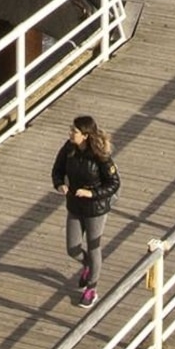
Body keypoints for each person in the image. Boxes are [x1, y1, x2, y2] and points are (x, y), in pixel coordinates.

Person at [51, 112, 120, 306]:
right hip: (74, 204)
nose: (70, 133)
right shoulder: (69, 148)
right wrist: (59, 185)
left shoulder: (100, 156)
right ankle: (87, 265)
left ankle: (91, 288)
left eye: (74, 131)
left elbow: (113, 183)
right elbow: (57, 170)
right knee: (72, 248)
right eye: (71, 129)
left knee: (94, 246)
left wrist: (92, 194)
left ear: (85, 135)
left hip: (96, 208)